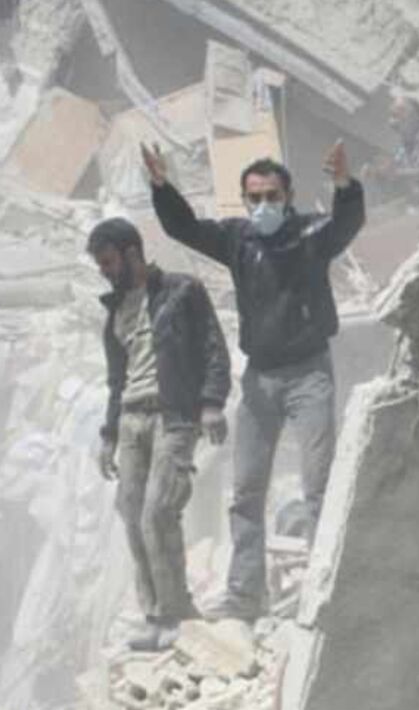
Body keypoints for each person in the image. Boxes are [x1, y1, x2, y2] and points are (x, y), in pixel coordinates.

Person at [141, 140, 365, 624]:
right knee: (245, 491)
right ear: (244, 201)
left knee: (318, 485)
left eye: (272, 197)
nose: (263, 206)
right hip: (260, 379)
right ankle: (244, 597)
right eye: (254, 197)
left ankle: (329, 587)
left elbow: (348, 223)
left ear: (288, 197)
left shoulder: (310, 234)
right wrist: (162, 187)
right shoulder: (238, 240)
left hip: (309, 374)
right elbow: (184, 227)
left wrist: (345, 185)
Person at [90, 217, 231, 651]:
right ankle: (154, 615)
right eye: (100, 265)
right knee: (132, 515)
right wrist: (108, 434)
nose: (105, 271)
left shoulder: (182, 291)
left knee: (158, 512)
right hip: (131, 420)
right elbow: (117, 379)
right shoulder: (114, 312)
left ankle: (178, 612)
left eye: (109, 261)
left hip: (173, 418)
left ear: (132, 252)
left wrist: (211, 403)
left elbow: (213, 348)